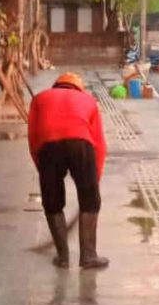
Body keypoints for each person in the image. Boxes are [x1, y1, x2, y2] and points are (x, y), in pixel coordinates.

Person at [28, 72, 109, 269]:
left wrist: (43, 169)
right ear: (78, 88)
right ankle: (88, 256)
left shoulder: (40, 98)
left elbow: (33, 137)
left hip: (48, 146)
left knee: (53, 202)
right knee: (90, 201)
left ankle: (63, 257)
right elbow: (99, 143)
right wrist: (94, 180)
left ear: (56, 86)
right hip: (80, 144)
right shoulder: (88, 100)